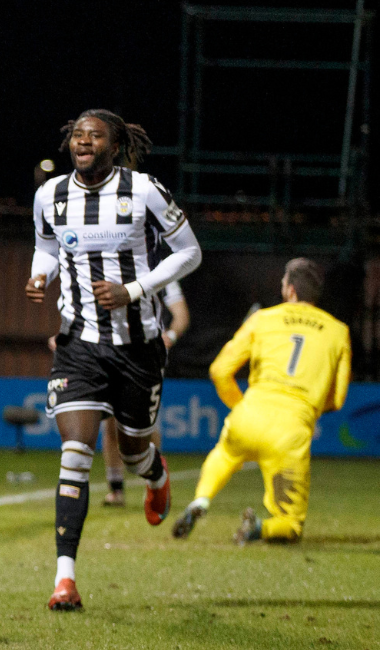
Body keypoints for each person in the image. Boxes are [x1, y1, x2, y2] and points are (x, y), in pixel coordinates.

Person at [27, 109, 202, 611]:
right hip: (77, 343)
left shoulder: (144, 190)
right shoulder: (50, 195)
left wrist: (134, 289)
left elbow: (189, 253)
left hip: (138, 345)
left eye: (94, 134)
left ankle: (156, 475)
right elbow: (45, 247)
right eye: (77, 133)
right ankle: (65, 580)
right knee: (75, 454)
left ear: (115, 143)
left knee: (132, 451)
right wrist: (40, 277)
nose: (83, 140)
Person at [172, 259, 349, 544]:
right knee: (289, 525)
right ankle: (258, 529)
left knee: (227, 454)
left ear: (290, 290)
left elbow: (219, 370)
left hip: (250, 414)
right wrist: (308, 409)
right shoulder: (338, 332)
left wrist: (239, 405)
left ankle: (201, 500)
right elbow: (338, 398)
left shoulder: (262, 319)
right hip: (291, 430)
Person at [52, 282, 189, 506]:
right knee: (109, 422)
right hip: (105, 352)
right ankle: (116, 489)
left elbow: (181, 315)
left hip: (142, 355)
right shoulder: (99, 268)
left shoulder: (157, 270)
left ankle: (154, 477)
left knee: (142, 426)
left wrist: (170, 336)